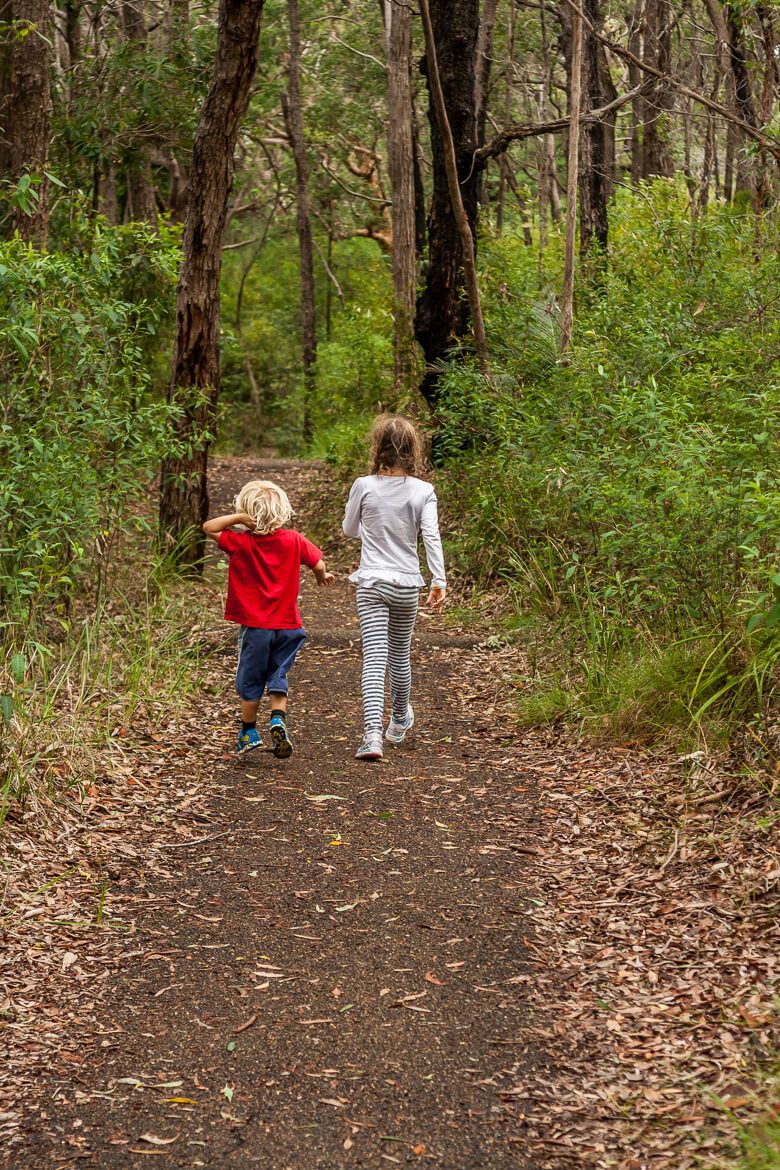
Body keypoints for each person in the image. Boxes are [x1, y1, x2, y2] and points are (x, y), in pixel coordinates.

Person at [204, 479, 334, 757]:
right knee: (278, 674)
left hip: (256, 628)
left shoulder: (240, 542)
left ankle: (248, 731)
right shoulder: (294, 540)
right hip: (290, 628)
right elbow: (319, 563)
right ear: (282, 511)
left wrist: (239, 519)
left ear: (248, 513)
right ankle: (278, 719)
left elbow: (209, 527)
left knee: (251, 679)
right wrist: (321, 576)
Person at [342, 414, 446, 761]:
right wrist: (438, 579)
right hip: (406, 584)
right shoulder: (423, 491)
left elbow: (349, 529)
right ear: (413, 450)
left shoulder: (364, 485)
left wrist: (374, 526)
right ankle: (400, 717)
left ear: (379, 448)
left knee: (374, 657)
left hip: (372, 581)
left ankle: (372, 737)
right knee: (399, 656)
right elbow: (430, 535)